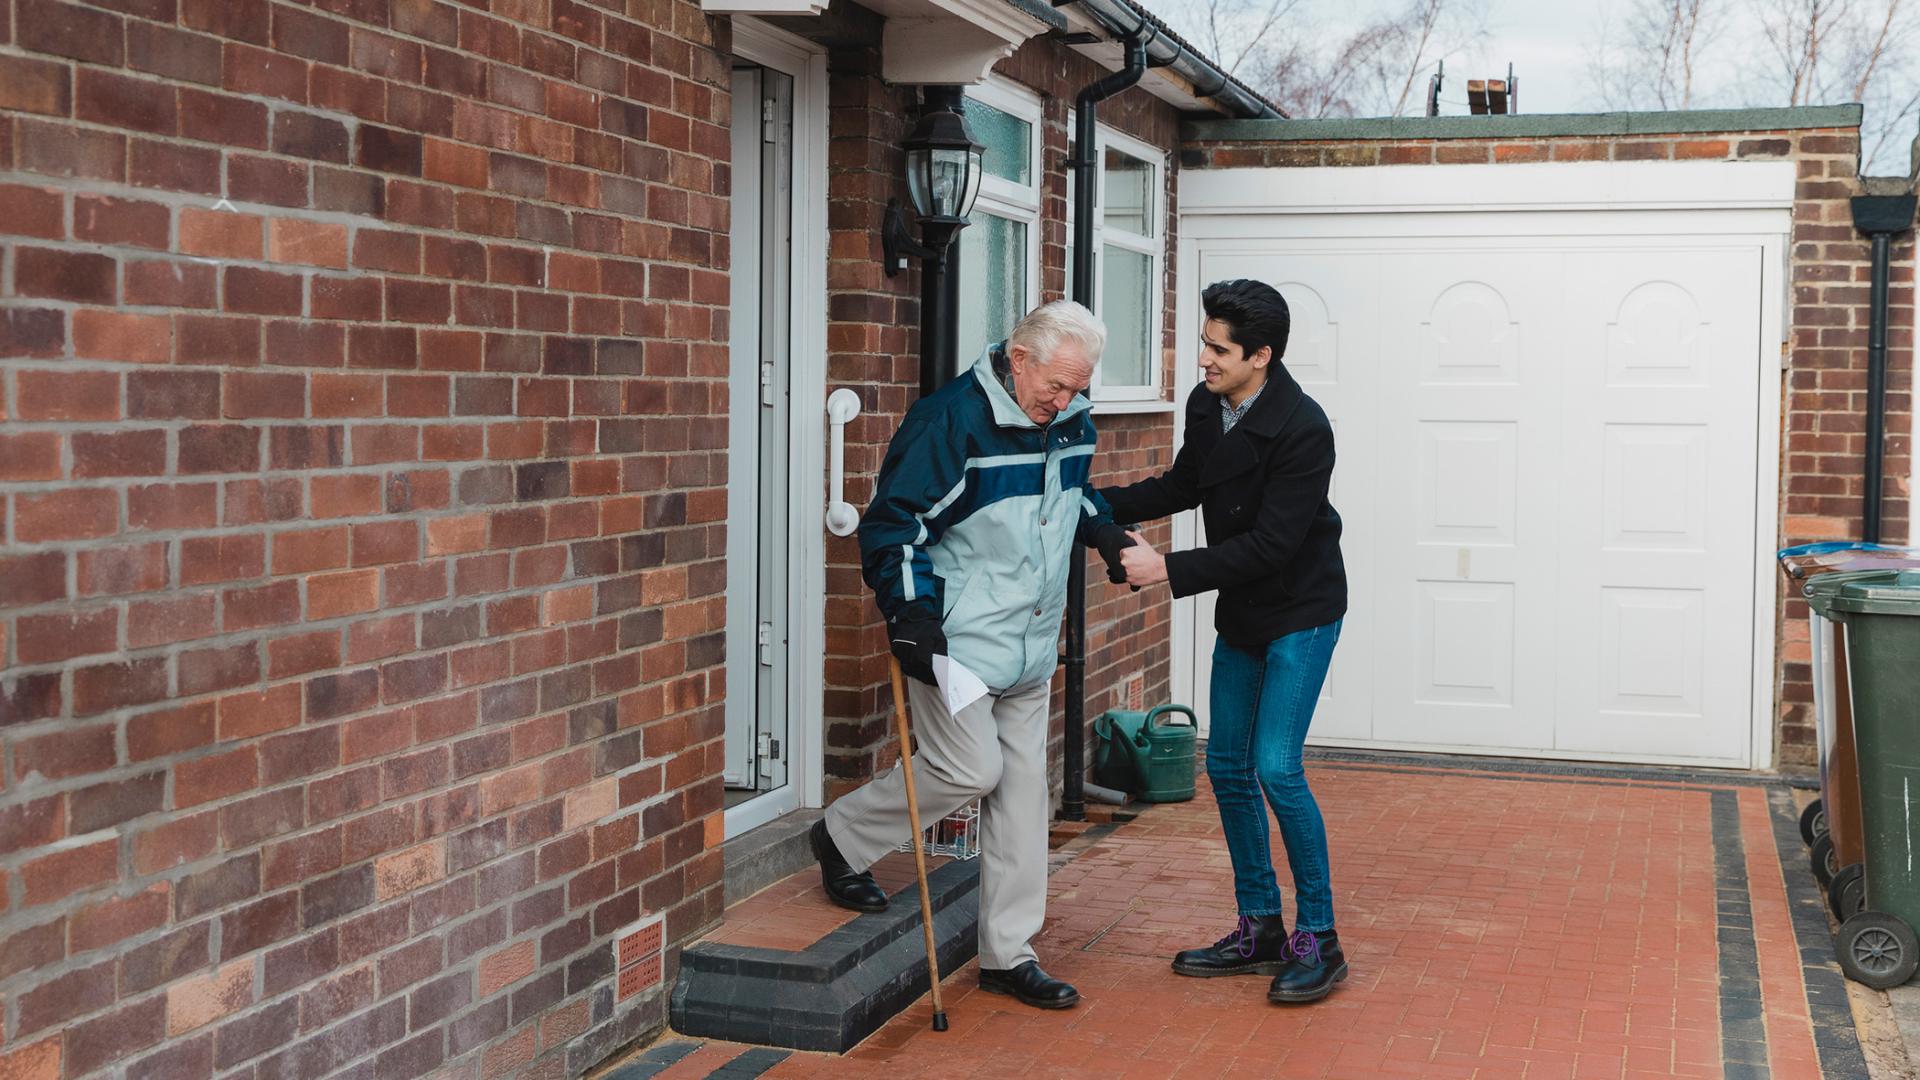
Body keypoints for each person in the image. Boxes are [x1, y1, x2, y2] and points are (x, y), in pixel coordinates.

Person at [810, 300, 1134, 1011]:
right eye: (1057, 385)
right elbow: (893, 526)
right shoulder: (949, 421)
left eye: (1078, 387)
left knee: (1023, 799)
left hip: (1032, 640)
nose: (1067, 401)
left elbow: (1067, 496)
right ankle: (842, 834)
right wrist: (912, 618)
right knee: (970, 767)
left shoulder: (1068, 418)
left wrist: (1106, 534)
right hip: (958, 644)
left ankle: (1008, 955)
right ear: (1020, 360)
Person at [1099, 279, 1350, 1004]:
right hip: (1244, 611)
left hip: (1301, 610)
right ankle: (1260, 927)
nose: (1202, 359)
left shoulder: (1305, 427)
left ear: (1261, 355)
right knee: (1229, 769)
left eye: (1217, 348)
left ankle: (1318, 939)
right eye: (1204, 343)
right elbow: (1185, 484)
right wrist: (1095, 499)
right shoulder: (1208, 405)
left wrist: (1167, 569)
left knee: (1276, 768)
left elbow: (1273, 545)